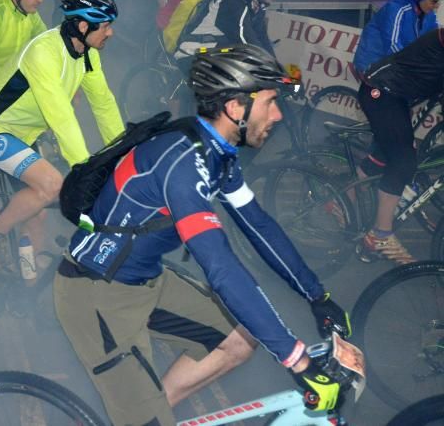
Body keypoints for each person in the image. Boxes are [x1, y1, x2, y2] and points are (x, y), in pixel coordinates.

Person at [55, 44, 351, 426]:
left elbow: (259, 227)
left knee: (238, 341)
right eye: (270, 102)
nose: (277, 114)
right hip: (96, 294)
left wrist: (317, 295)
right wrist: (296, 360)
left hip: (145, 280)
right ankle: (142, 413)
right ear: (234, 107)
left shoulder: (216, 152)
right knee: (147, 416)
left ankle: (145, 409)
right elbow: (222, 268)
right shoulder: (182, 163)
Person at [0, 0, 124, 259]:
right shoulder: (44, 52)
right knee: (52, 186)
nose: (110, 32)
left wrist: (124, 156)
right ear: (84, 25)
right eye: (106, 26)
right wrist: (83, 172)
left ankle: (25, 286)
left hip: (25, 134)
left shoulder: (88, 53)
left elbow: (104, 105)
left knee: (35, 217)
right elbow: (61, 116)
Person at [357, 25, 444, 263]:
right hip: (381, 92)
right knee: (404, 160)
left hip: (393, 93)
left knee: (385, 155)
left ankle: (340, 202)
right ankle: (381, 235)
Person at [353, 0, 441, 75]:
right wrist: (415, 66)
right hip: (373, 65)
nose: (437, 6)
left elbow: (436, 39)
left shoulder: (429, 15)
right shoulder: (396, 9)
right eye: (434, 1)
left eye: (439, 0)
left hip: (396, 64)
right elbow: (393, 45)